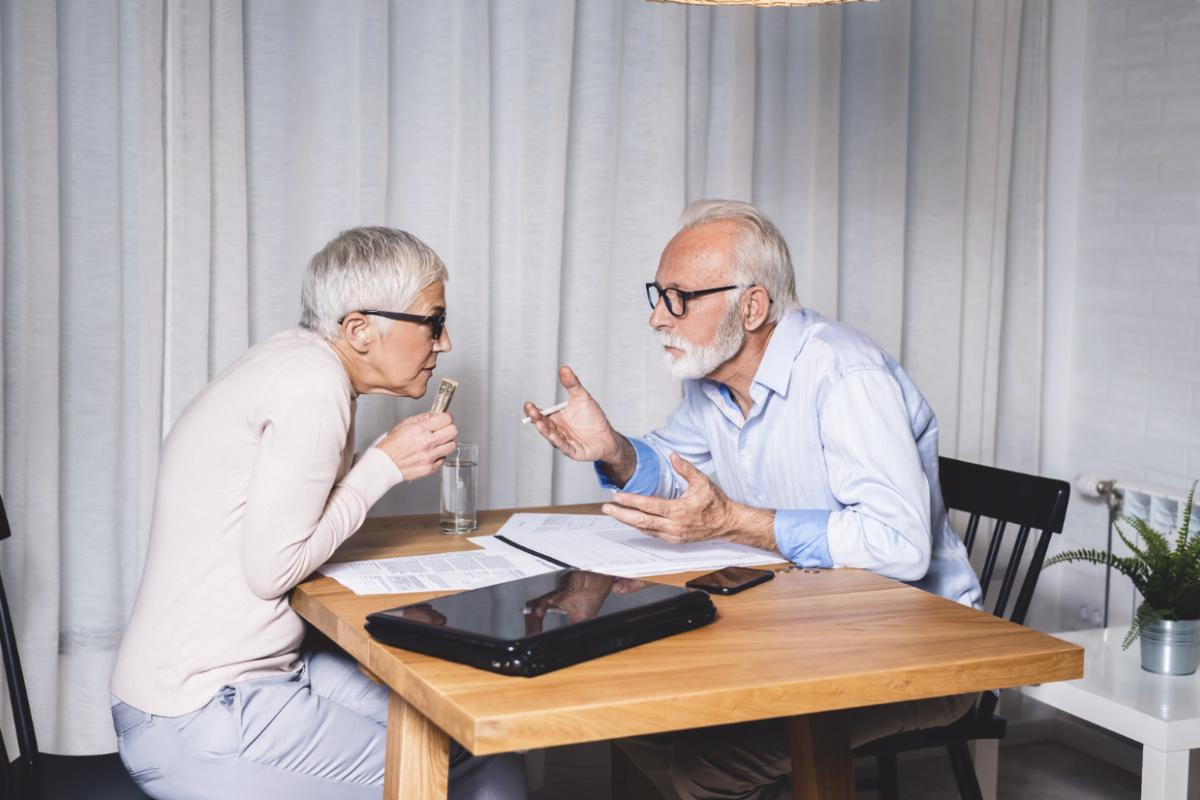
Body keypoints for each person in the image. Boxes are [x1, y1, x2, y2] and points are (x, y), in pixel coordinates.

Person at [523, 200, 983, 800]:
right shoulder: (713, 383)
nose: (658, 318)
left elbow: (899, 546)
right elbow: (677, 473)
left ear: (753, 306)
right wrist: (613, 449)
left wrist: (733, 522)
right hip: (806, 626)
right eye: (656, 295)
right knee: (626, 714)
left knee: (705, 765)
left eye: (678, 298)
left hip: (918, 648)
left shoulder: (846, 376)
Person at [111, 227, 528, 800]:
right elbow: (272, 569)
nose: (445, 341)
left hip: (250, 680)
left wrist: (376, 465)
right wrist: (383, 466)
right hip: (200, 712)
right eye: (433, 321)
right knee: (459, 777)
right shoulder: (312, 384)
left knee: (477, 742)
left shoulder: (299, 362)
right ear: (358, 329)